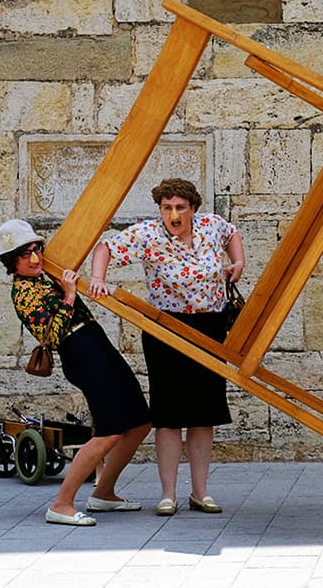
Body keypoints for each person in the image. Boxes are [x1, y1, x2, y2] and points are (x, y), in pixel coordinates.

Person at [88, 178, 245, 517]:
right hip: (166, 329)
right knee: (169, 415)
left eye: (180, 208)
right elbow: (106, 248)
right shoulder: (148, 235)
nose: (173, 214)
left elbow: (232, 233)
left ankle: (201, 493)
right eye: (167, 207)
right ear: (160, 208)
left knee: (204, 413)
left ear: (193, 209)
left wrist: (238, 262)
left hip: (209, 326)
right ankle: (168, 494)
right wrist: (98, 277)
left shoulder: (211, 225)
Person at [0, 219, 151, 526]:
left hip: (94, 341)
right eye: (26, 254)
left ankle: (104, 492)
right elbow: (52, 335)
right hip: (79, 351)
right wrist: (68, 296)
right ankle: (62, 503)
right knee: (109, 431)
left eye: (36, 249)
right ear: (12, 261)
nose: (35, 258)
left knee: (140, 421)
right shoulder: (22, 292)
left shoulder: (44, 276)